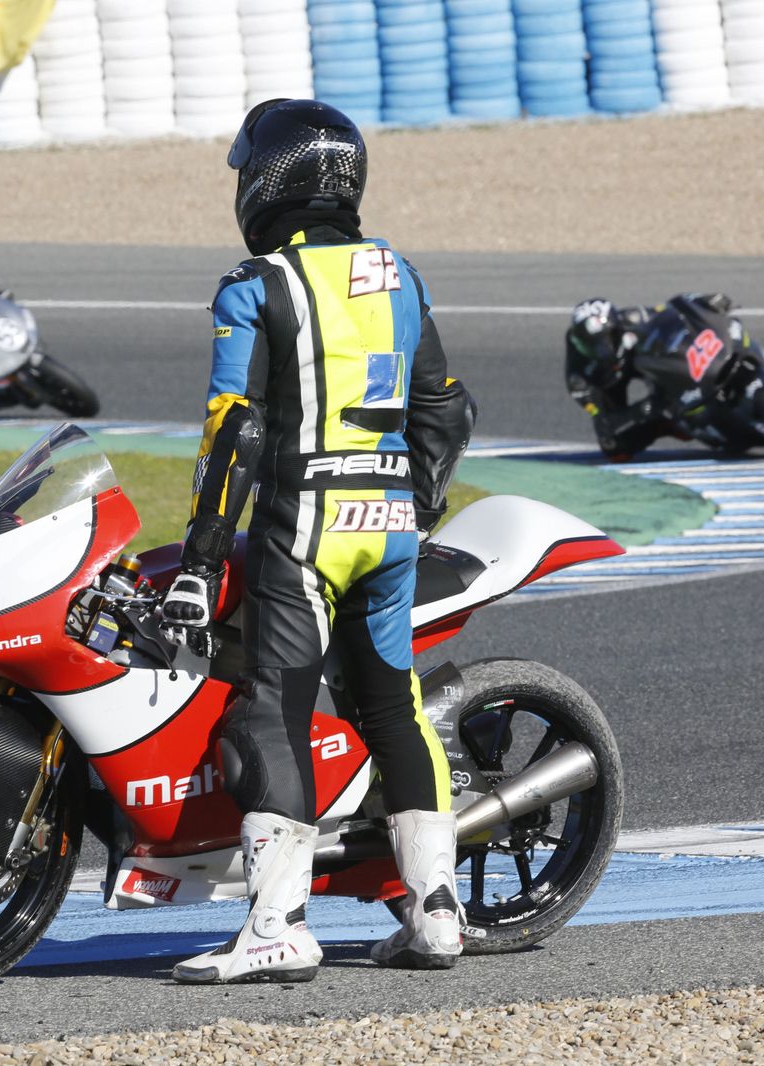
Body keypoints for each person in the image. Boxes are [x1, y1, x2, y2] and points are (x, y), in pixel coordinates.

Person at [157, 98, 477, 985]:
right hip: (391, 528)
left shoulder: (254, 284)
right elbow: (447, 411)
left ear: (272, 178)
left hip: (304, 530)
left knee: (272, 712)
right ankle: (437, 912)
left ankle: (277, 924)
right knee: (392, 708)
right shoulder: (400, 274)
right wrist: (413, 504)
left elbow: (236, 432)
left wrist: (201, 561)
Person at [563, 293, 764, 459]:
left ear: (615, 327)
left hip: (641, 360)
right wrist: (638, 412)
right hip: (610, 381)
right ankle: (670, 425)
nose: (602, 351)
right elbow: (602, 419)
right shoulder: (580, 377)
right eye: (592, 346)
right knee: (613, 446)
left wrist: (704, 303)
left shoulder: (631, 319)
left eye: (605, 341)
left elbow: (671, 313)